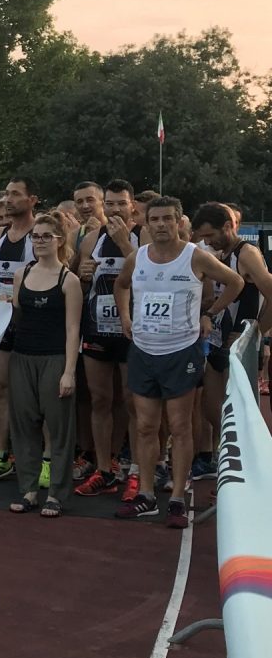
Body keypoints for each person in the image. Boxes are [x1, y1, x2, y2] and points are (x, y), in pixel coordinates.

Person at [113, 197, 244, 527]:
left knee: (180, 426)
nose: (161, 224)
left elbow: (236, 282)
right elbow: (121, 285)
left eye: (167, 219)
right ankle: (145, 495)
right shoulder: (138, 257)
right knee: (145, 426)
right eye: (155, 219)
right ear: (146, 224)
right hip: (144, 350)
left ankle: (176, 499)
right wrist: (125, 316)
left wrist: (209, 314)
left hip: (181, 350)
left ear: (178, 222)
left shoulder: (194, 255)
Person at [188, 203, 272, 480]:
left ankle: (250, 471)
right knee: (211, 407)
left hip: (239, 347)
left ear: (227, 227)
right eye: (203, 237)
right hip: (217, 341)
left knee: (238, 413)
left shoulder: (246, 253)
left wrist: (256, 332)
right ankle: (227, 463)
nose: (207, 241)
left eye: (210, 235)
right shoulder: (218, 254)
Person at [7, 213, 82, 517]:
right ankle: (28, 490)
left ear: (59, 240)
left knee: (59, 427)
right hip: (22, 357)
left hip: (55, 358)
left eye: (46, 236)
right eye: (35, 236)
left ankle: (56, 494)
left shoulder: (69, 280)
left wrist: (69, 372)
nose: (39, 241)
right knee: (24, 425)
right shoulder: (21, 274)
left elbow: (73, 330)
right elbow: (15, 315)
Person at [73, 180, 138, 498]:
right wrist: (83, 277)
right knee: (99, 400)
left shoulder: (142, 236)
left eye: (120, 204)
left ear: (132, 206)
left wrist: (125, 245)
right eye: (109, 204)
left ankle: (136, 469)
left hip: (131, 332)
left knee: (132, 401)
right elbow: (79, 287)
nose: (115, 210)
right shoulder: (91, 239)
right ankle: (104, 468)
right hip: (98, 329)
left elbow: (152, 276)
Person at [0, 177, 38, 484]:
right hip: (3, 323)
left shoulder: (40, 233)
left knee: (35, 395)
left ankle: (38, 458)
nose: (9, 199)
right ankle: (0, 456)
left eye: (16, 194)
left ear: (32, 199)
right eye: (7, 194)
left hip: (34, 324)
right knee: (0, 389)